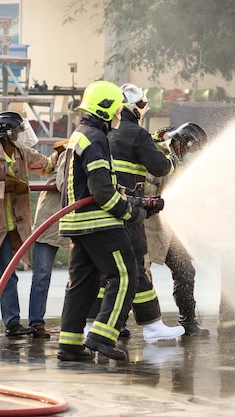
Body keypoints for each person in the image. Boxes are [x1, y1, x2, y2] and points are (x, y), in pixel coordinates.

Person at [84, 82, 184, 345]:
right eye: (145, 104)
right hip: (129, 210)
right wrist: (174, 154)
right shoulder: (136, 133)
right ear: (138, 106)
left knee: (107, 271)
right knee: (135, 265)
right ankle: (150, 326)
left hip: (106, 209)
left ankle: (92, 324)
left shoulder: (106, 133)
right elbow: (160, 167)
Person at [57, 80, 143, 361]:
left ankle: (69, 345)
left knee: (82, 283)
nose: (120, 115)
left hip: (78, 223)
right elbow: (101, 190)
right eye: (117, 110)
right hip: (99, 222)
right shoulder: (95, 138)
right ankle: (103, 337)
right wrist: (128, 211)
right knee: (125, 274)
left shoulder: (80, 134)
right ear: (105, 109)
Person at [0, 111, 56, 337]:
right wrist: (5, 187)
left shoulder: (21, 152)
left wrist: (61, 155)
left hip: (9, 228)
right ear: (6, 135)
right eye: (17, 132)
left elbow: (45, 166)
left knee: (8, 274)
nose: (20, 135)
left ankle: (12, 323)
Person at [145, 123, 210, 337]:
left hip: (172, 226)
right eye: (190, 150)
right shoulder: (155, 154)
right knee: (139, 275)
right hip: (148, 224)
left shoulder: (180, 161)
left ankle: (188, 322)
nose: (191, 155)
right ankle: (123, 325)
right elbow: (148, 187)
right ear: (180, 143)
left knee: (185, 271)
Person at [27, 139, 70, 338]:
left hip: (70, 221)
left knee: (81, 274)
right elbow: (64, 185)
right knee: (42, 275)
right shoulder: (65, 158)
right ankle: (36, 322)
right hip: (50, 222)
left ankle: (75, 321)